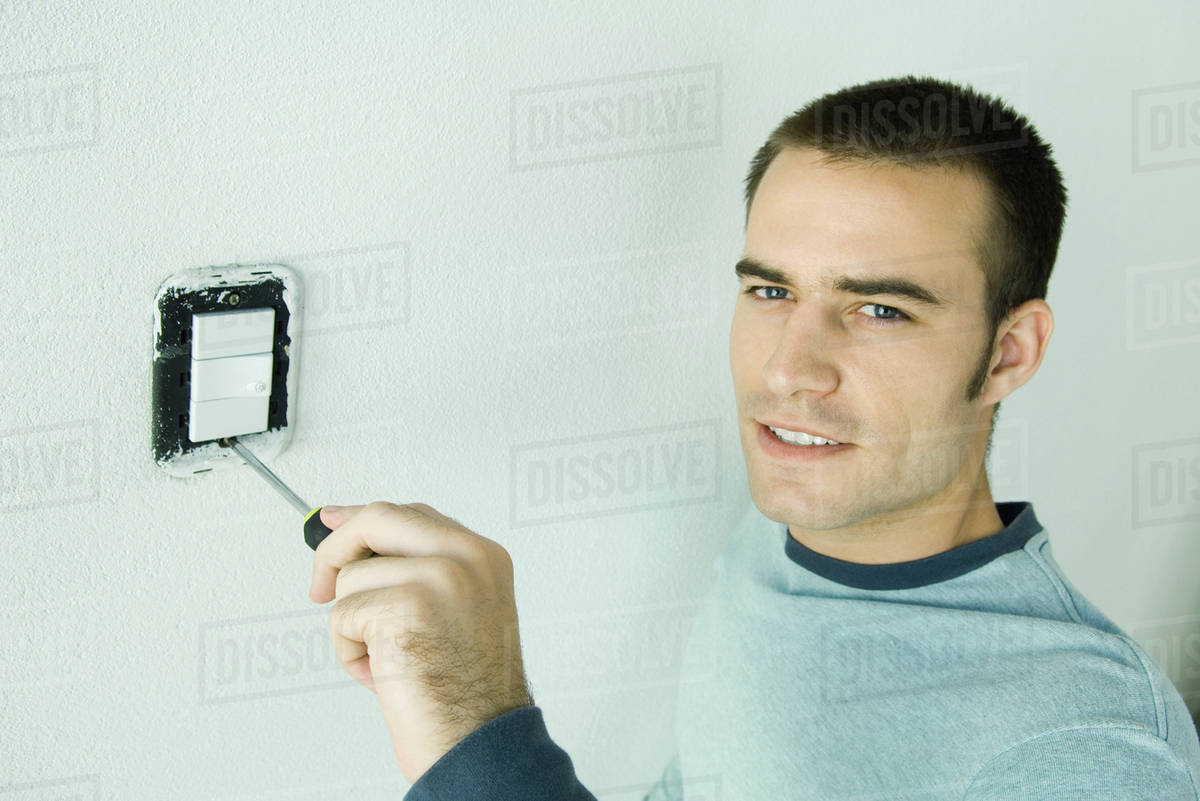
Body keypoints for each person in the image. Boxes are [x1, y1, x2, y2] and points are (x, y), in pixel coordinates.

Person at [308, 75, 1200, 800]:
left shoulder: (1082, 751)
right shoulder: (784, 525)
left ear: (1009, 352)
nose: (788, 372)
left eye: (879, 308)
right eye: (770, 292)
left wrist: (478, 731)